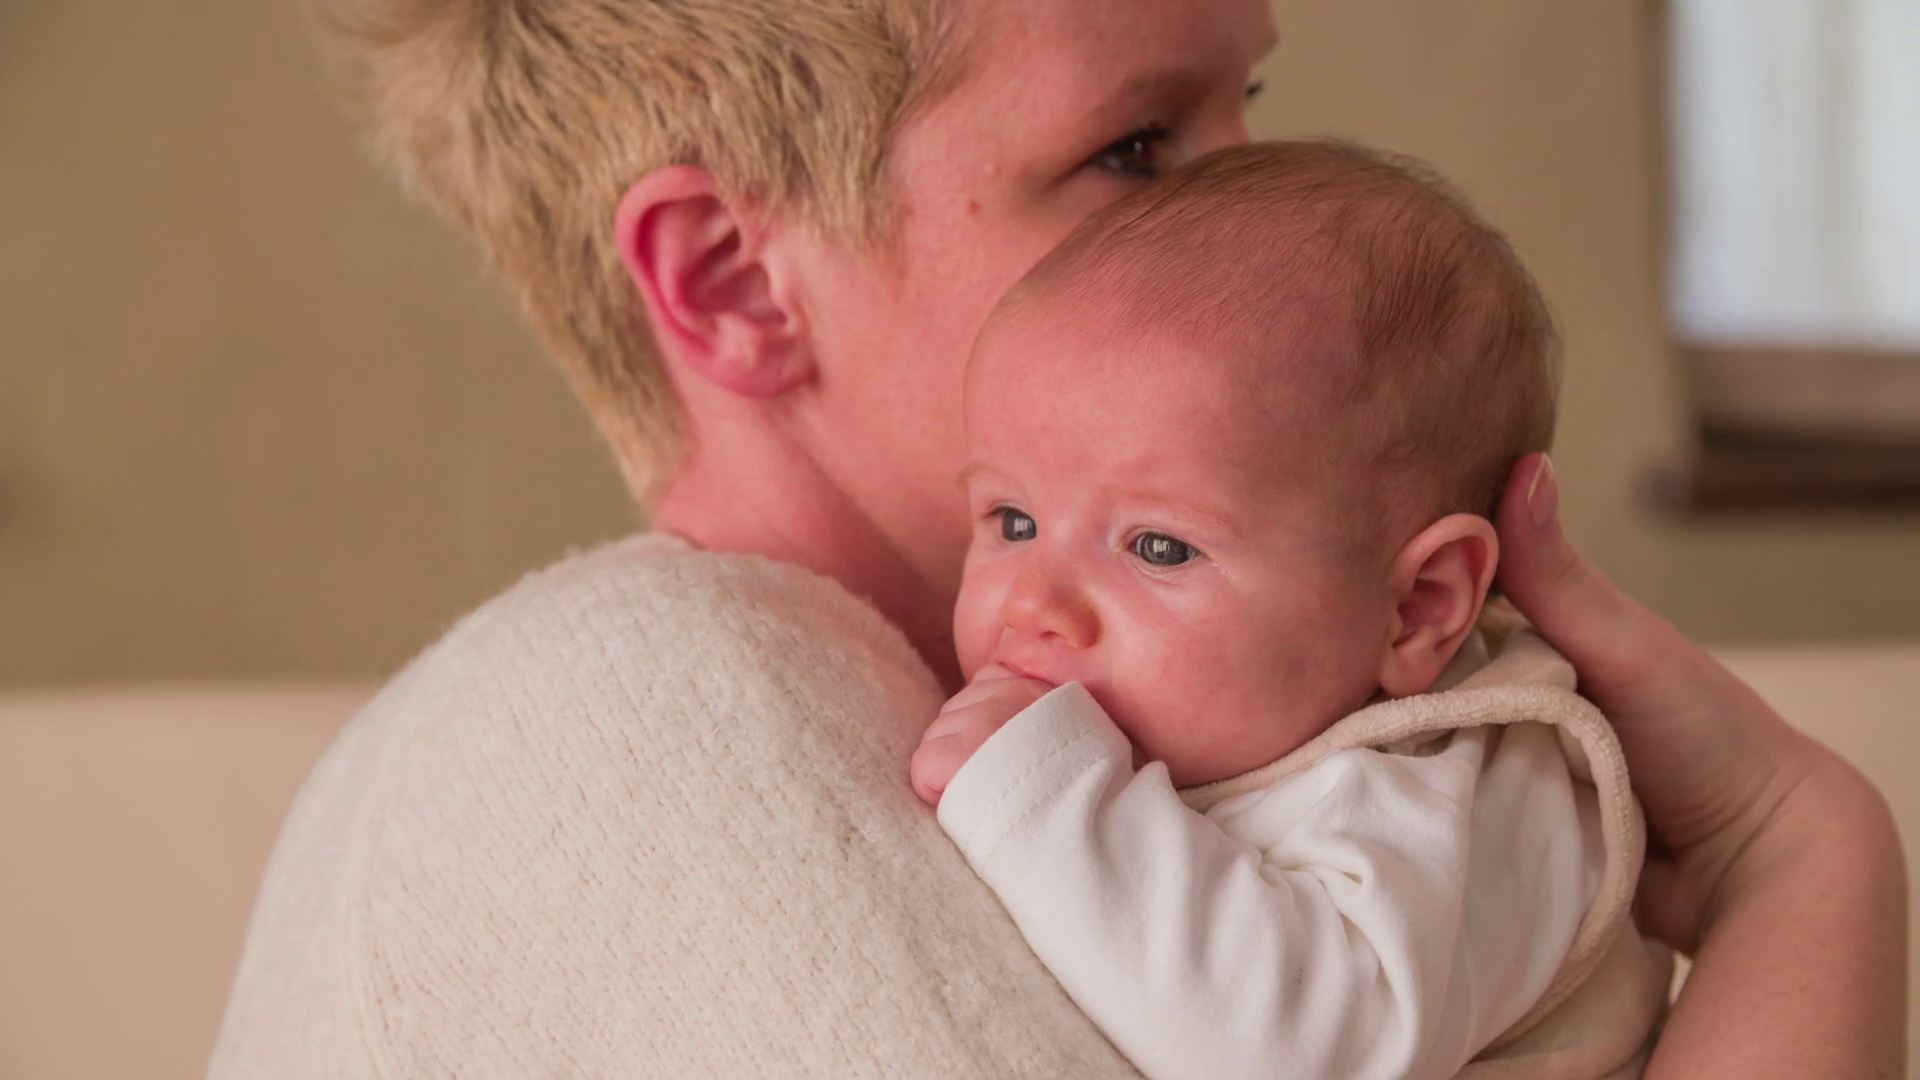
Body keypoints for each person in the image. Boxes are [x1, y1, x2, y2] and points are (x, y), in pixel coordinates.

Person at [211, 0, 1906, 1076]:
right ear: (734, 285)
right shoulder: (636, 724)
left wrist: (1791, 843)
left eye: (1247, 101)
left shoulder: (1126, 719)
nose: (1250, 203)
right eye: (1138, 148)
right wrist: (1797, 862)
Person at [910, 140, 1667, 1080]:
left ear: (1418, 607)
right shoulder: (1255, 721)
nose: (1035, 603)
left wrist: (1042, 797)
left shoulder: (1427, 788)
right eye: (1012, 520)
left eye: (1158, 547)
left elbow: (1294, 1052)